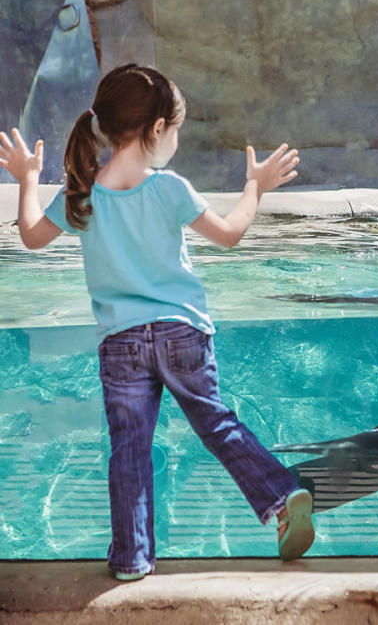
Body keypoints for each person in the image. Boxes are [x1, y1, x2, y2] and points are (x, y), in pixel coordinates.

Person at [0, 64, 314, 580]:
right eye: (177, 130)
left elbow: (30, 236)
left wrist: (28, 179)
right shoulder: (170, 189)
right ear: (157, 130)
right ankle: (281, 495)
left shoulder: (83, 193)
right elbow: (231, 233)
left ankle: (131, 558)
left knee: (128, 449)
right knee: (216, 423)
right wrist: (255, 187)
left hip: (121, 343)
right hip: (181, 334)